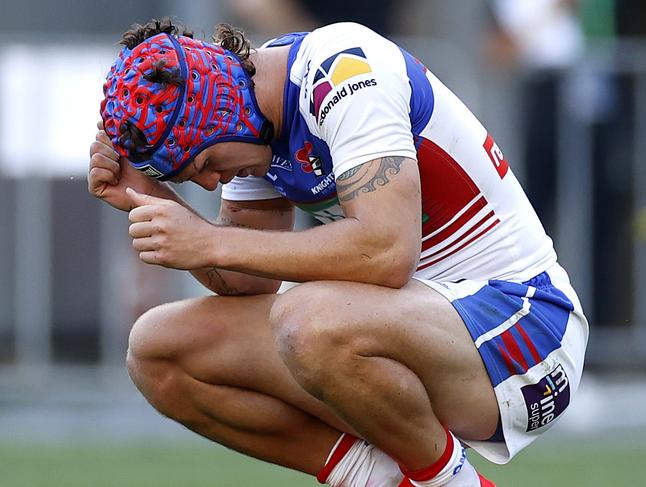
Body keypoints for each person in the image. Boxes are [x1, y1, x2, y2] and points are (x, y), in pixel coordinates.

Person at [89, 18, 588, 487]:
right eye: (188, 180)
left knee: (308, 319)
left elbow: (388, 252)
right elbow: (246, 284)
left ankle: (451, 482)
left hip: (528, 335)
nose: (210, 181)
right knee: (159, 348)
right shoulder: (248, 121)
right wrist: (149, 197)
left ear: (221, 109)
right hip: (427, 330)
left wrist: (209, 239)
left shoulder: (344, 69)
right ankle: (384, 478)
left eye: (205, 163)